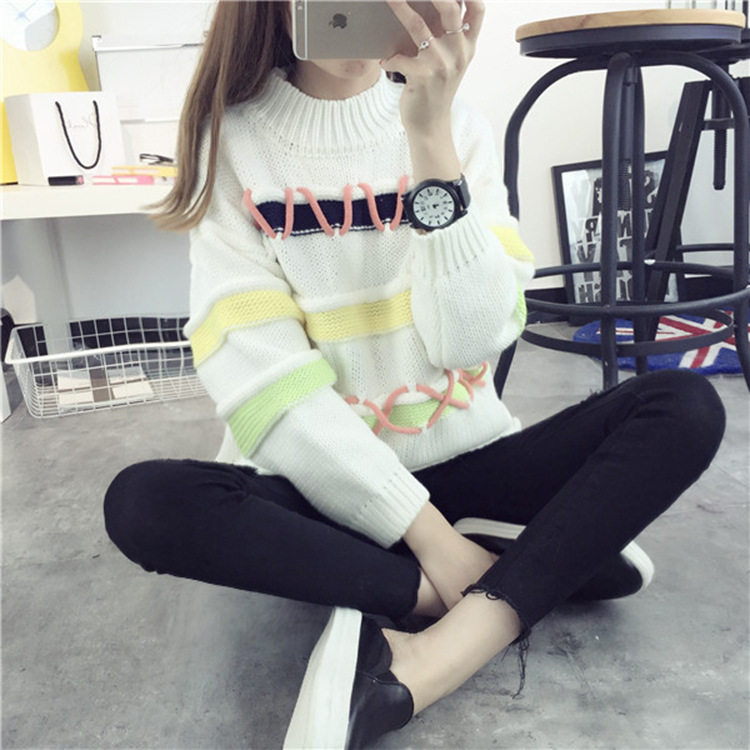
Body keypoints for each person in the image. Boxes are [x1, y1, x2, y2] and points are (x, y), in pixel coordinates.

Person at [103, 1, 726, 748]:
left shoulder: (454, 124)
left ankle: (438, 651)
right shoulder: (231, 141)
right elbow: (268, 385)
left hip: (471, 461)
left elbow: (470, 341)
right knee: (145, 502)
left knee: (684, 406)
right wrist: (434, 541)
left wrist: (429, 137)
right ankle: (524, 564)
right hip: (322, 489)